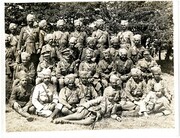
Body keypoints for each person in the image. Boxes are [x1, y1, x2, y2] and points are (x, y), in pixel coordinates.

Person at [53, 81, 122, 125]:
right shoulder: (102, 98)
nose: (111, 98)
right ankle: (60, 119)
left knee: (85, 122)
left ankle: (66, 121)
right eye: (109, 96)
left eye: (112, 96)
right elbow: (90, 102)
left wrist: (117, 118)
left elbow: (113, 114)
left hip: (95, 116)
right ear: (107, 95)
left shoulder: (114, 105)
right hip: (90, 111)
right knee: (77, 116)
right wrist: (82, 107)